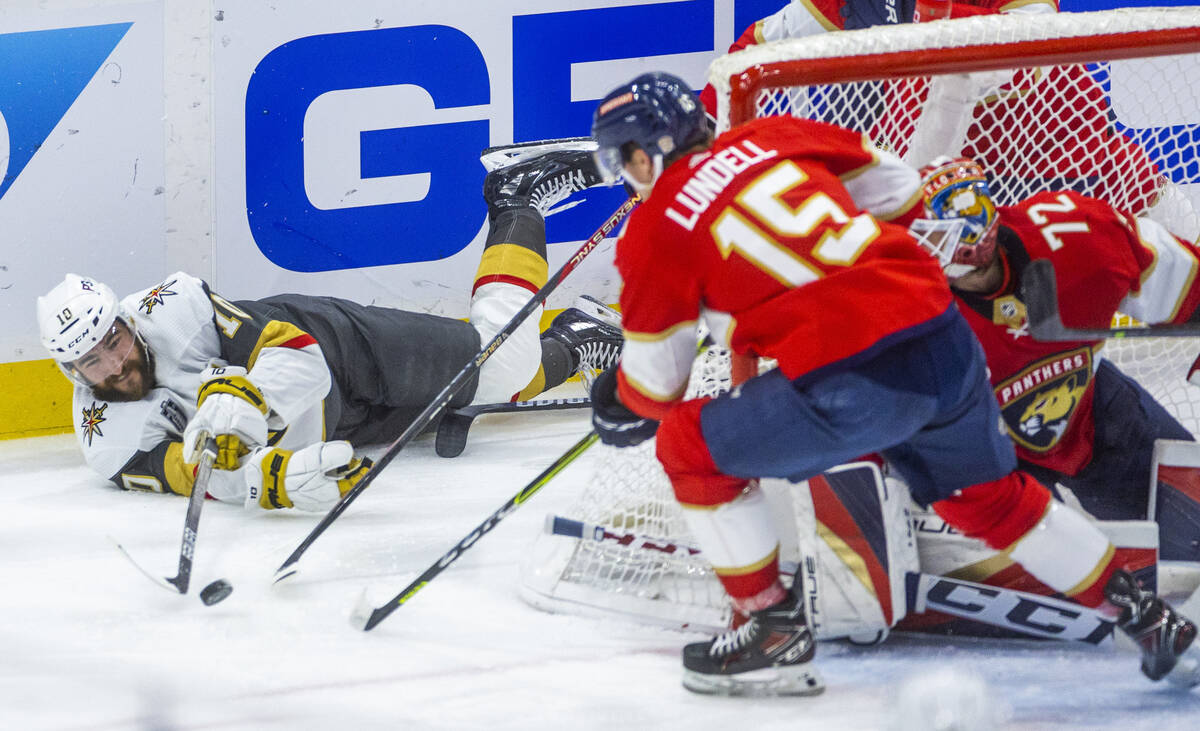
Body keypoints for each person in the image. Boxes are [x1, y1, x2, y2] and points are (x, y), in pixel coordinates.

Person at [587, 71, 1198, 696]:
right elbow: (900, 188)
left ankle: (770, 625)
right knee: (989, 498)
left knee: (688, 446)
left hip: (853, 378)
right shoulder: (772, 137)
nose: (630, 177)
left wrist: (618, 402)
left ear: (644, 152)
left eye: (625, 162)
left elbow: (658, 386)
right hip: (943, 335)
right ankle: (1147, 617)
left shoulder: (657, 224)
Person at [37, 146, 622, 512]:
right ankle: (575, 337)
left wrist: (249, 400)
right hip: (322, 422)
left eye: (111, 341)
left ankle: (517, 197)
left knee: (498, 366)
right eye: (92, 362)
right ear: (72, 372)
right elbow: (196, 473)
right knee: (491, 384)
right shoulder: (105, 438)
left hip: (333, 346)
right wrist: (277, 480)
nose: (113, 364)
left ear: (123, 320)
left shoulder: (174, 306)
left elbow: (299, 353)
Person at [913, 156, 1200, 563]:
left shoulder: (1080, 236)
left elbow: (1189, 283)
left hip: (1091, 410)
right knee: (1032, 590)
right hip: (988, 459)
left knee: (1193, 538)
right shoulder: (912, 318)